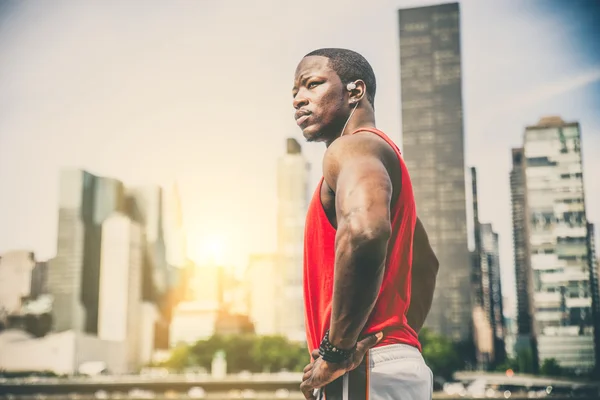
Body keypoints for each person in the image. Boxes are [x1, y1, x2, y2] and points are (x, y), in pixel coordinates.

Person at [293, 48, 439, 400]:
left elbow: (365, 231)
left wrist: (338, 351)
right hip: (395, 363)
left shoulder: (352, 148)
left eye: (312, 85)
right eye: (295, 93)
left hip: (360, 368)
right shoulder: (383, 162)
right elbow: (425, 266)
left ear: (355, 91)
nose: (299, 99)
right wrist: (396, 338)